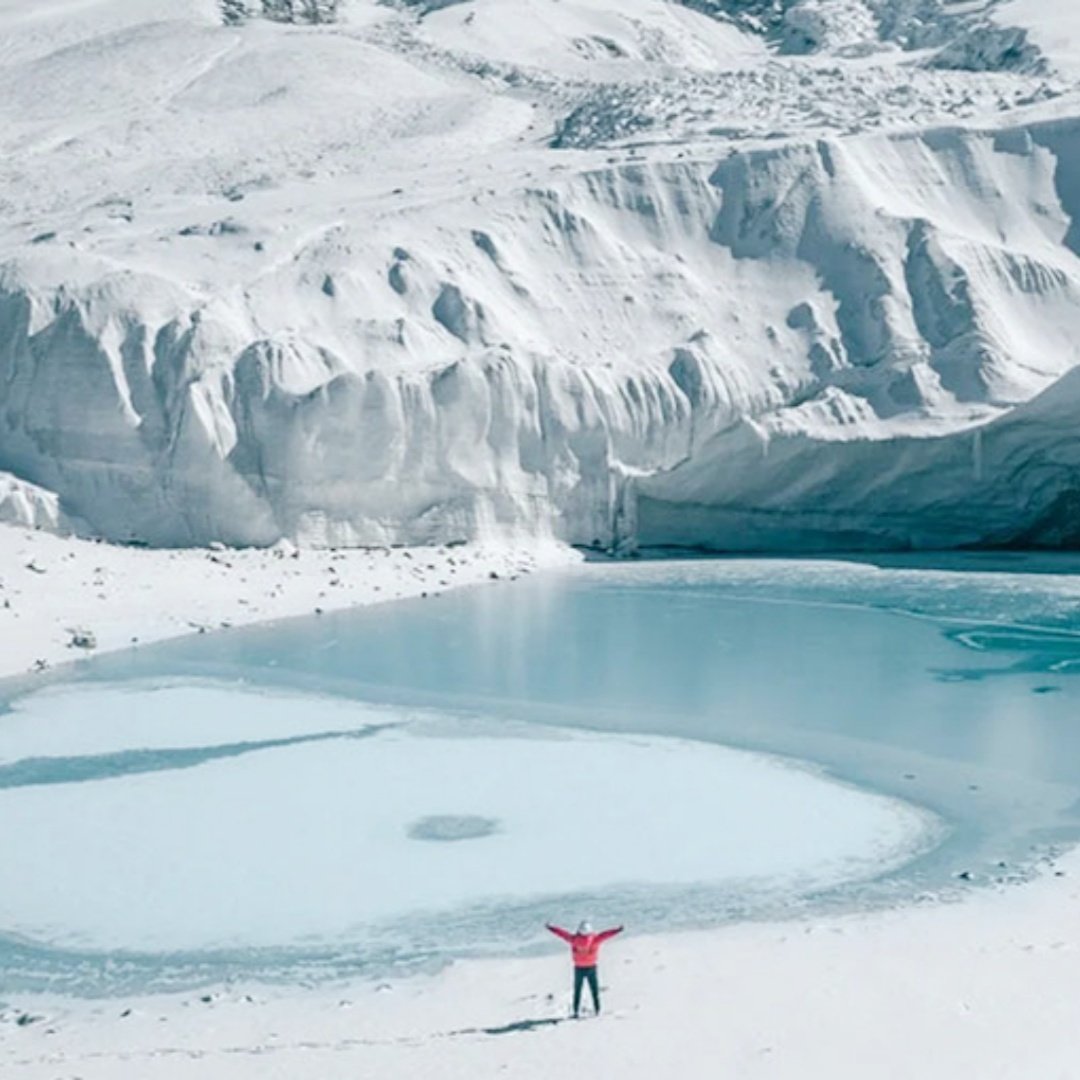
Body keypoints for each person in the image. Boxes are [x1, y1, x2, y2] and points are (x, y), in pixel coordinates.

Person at [546, 920, 624, 1017]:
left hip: (579, 968)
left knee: (577, 991)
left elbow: (562, 933)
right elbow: (606, 934)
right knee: (594, 990)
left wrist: (551, 927)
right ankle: (597, 1010)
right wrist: (618, 930)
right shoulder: (595, 939)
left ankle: (576, 1011)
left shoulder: (574, 940)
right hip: (591, 967)